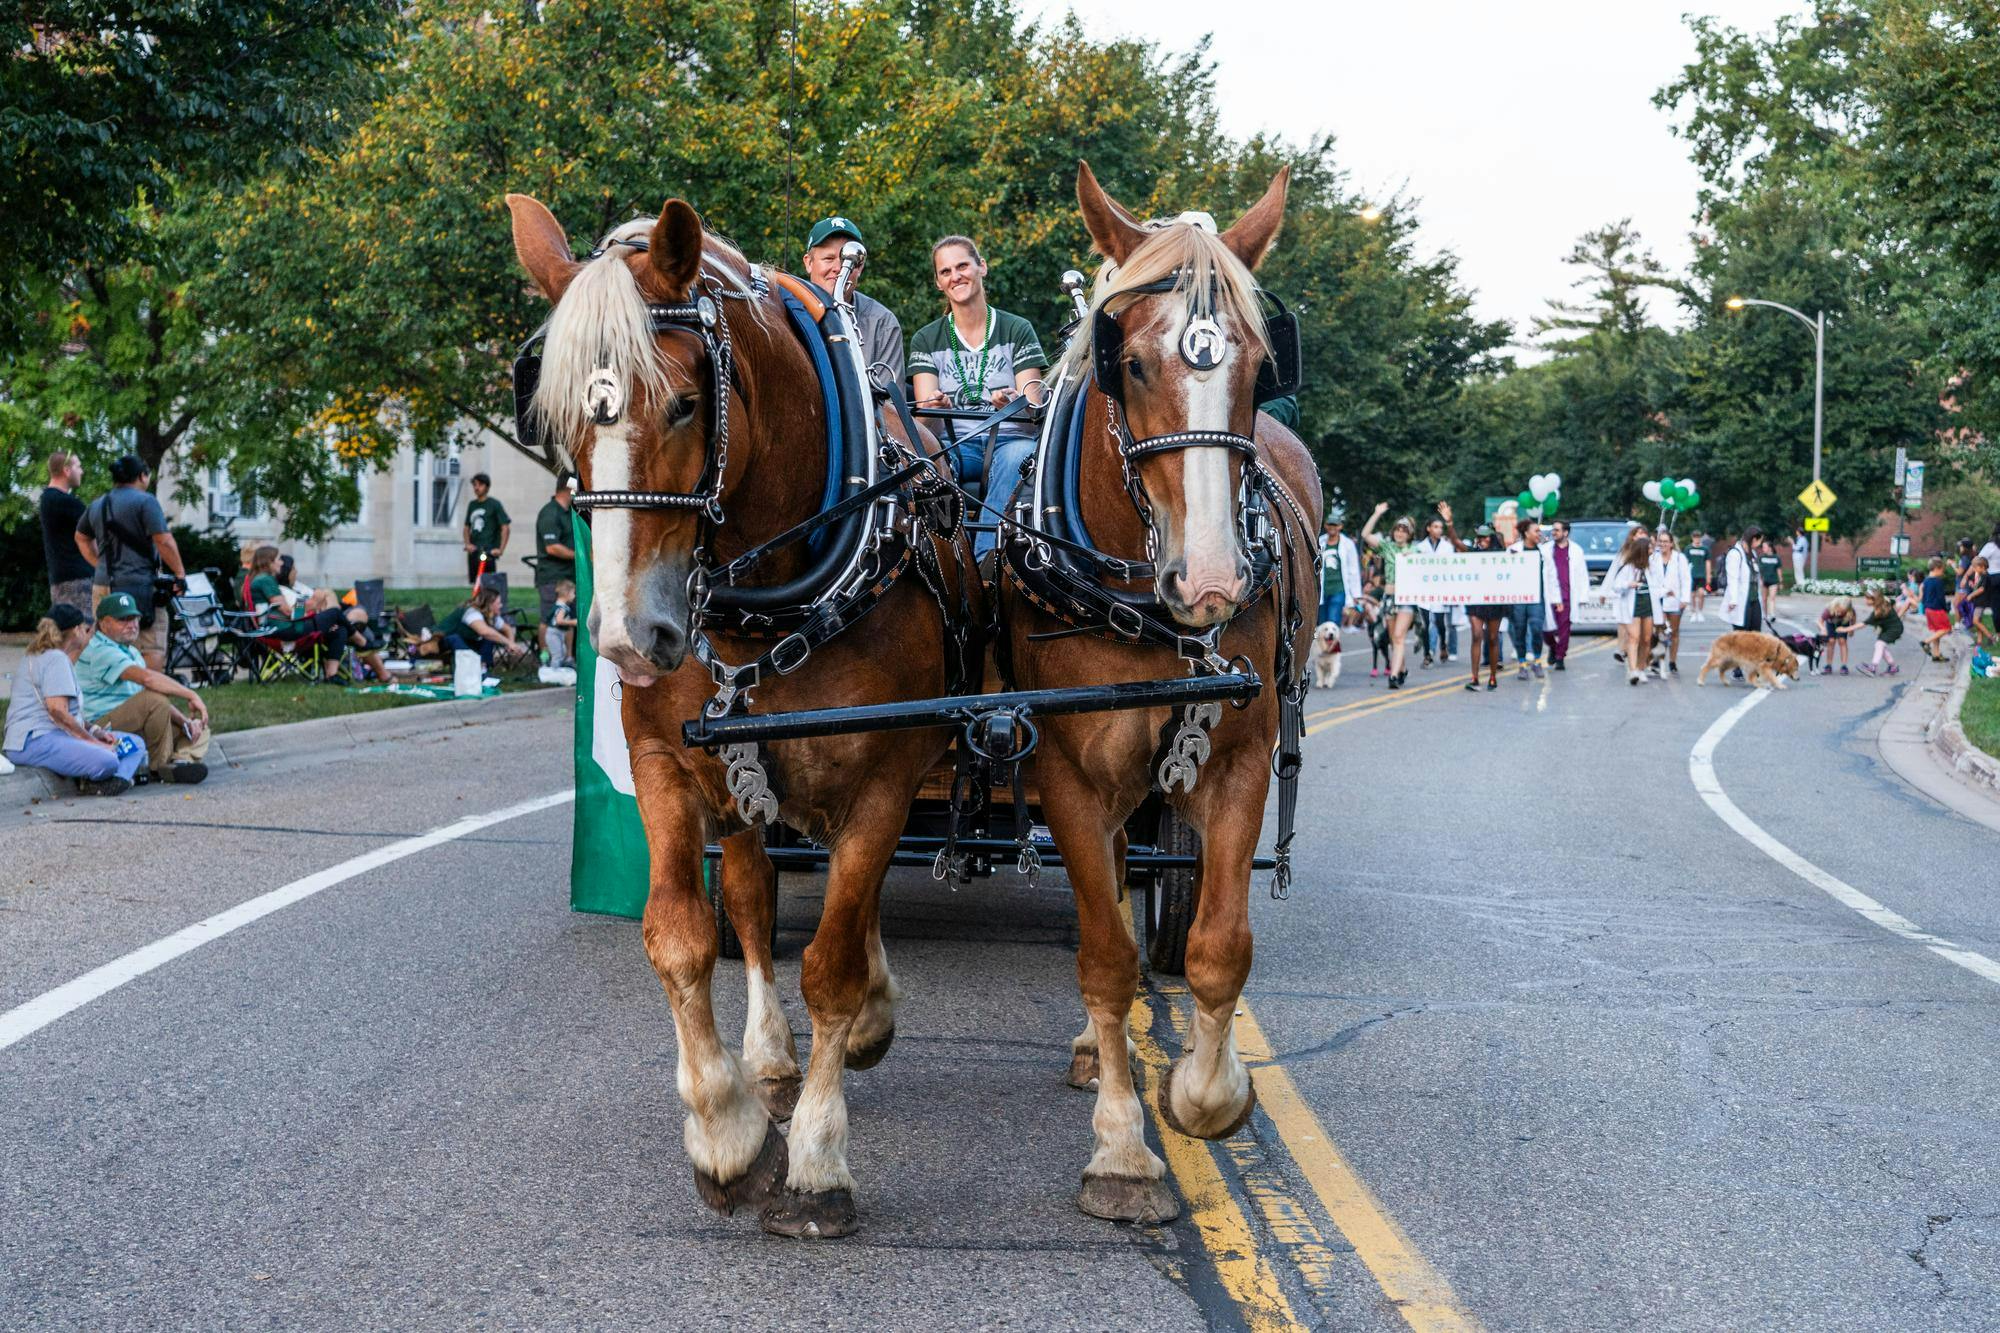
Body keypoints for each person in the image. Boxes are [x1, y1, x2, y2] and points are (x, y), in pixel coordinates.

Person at [907, 235, 1048, 561]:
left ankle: (985, 562)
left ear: (981, 267)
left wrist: (1015, 403)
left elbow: (1035, 407)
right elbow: (923, 429)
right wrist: (934, 408)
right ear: (939, 282)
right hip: (956, 443)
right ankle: (946, 558)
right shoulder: (926, 338)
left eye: (962, 266)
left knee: (1019, 457)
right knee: (923, 464)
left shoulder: (1017, 329)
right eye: (945, 271)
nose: (955, 276)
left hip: (1009, 439)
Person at [2, 605, 146, 796]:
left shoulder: (46, 656)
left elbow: (66, 712)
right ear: (77, 630)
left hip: (53, 738)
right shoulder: (55, 659)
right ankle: (107, 777)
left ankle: (112, 782)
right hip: (35, 741)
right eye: (87, 630)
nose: (89, 635)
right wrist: (94, 743)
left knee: (134, 744)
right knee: (107, 759)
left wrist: (96, 731)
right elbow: (57, 711)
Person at [74, 592, 212, 783]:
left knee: (199, 729)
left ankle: (180, 762)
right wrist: (190, 694)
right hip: (101, 727)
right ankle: (159, 766)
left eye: (134, 618)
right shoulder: (100, 650)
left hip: (135, 722)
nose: (132, 624)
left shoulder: (131, 651)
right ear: (104, 624)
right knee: (154, 700)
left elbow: (146, 693)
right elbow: (148, 680)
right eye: (123, 620)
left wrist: (185, 723)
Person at [75, 453, 185, 671]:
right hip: (139, 587)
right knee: (150, 645)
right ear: (142, 476)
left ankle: (112, 695)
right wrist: (180, 573)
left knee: (107, 644)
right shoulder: (146, 501)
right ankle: (148, 696)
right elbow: (163, 540)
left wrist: (100, 564)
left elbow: (81, 537)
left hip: (103, 586)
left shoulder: (99, 504)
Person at [802, 216, 904, 392]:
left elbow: (890, 406)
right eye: (828, 258)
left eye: (848, 260)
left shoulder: (882, 323)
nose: (839, 268)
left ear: (860, 267)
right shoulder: (784, 311)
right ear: (809, 263)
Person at [243, 545, 365, 680]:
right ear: (269, 562)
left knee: (340, 629)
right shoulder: (266, 580)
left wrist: (309, 604)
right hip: (284, 630)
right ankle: (362, 642)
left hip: (279, 627)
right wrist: (311, 602)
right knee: (334, 612)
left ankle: (332, 674)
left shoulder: (259, 579)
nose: (281, 562)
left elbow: (285, 610)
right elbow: (288, 611)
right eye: (278, 559)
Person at [1359, 503, 1422, 689]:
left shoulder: (1416, 550)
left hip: (1406, 598)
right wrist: (1376, 513)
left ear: (1409, 534)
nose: (1399, 533)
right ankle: (1401, 669)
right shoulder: (1387, 546)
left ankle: (1393, 676)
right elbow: (1365, 535)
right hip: (1389, 597)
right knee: (1394, 638)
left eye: (1403, 531)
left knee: (1399, 635)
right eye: (1397, 530)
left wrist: (1415, 558)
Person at [40, 451, 95, 617]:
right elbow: (94, 536)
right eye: (78, 466)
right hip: (78, 580)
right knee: (82, 632)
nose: (82, 471)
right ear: (66, 470)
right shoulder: (67, 502)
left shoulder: (47, 499)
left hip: (61, 578)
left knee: (67, 632)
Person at [1607, 529, 1659, 686]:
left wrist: (1668, 592)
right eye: (1649, 548)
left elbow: (1659, 586)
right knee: (1634, 637)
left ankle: (1642, 668)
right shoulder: (1628, 567)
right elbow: (1616, 586)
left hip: (1648, 605)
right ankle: (1633, 670)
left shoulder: (1652, 567)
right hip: (1633, 606)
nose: (1652, 550)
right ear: (1643, 550)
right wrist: (1629, 584)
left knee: (1646, 639)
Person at [533, 483, 577, 662]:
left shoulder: (570, 512)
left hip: (569, 577)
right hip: (552, 577)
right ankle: (545, 657)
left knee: (569, 616)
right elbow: (552, 547)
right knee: (548, 618)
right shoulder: (550, 513)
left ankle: (568, 657)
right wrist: (579, 557)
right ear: (568, 487)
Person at [1541, 518, 1589, 672]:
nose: (1553, 532)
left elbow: (1582, 574)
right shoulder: (1545, 549)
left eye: (1557, 530)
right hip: (1549, 595)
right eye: (1553, 530)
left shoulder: (1576, 550)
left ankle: (1560, 657)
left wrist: (1583, 595)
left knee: (1564, 629)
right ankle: (1553, 648)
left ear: (1565, 533)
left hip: (1567, 596)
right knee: (1546, 629)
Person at [1414, 511, 1462, 666]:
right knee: (1425, 624)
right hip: (1424, 589)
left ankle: (1443, 645)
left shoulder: (1447, 548)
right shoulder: (1420, 547)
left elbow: (1452, 568)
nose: (1439, 530)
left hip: (1441, 589)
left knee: (1440, 623)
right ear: (1428, 528)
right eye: (1435, 527)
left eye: (1441, 527)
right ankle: (1427, 655)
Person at [437, 584, 522, 670]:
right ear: (489, 604)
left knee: (489, 637)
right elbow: (484, 631)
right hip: (441, 641)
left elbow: (507, 629)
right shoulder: (471, 612)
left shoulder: (491, 615)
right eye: (498, 603)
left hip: (467, 641)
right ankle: (470, 667)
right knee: (456, 638)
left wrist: (512, 643)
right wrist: (508, 642)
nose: (501, 605)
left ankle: (484, 667)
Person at [1463, 525, 1507, 691]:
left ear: (1491, 538)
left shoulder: (1501, 555)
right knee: (1476, 635)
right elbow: (1457, 543)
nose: (1482, 540)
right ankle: (1474, 677)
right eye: (1479, 538)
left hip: (1494, 598)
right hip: (1476, 598)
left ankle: (1493, 676)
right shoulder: (1473, 554)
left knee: (1493, 637)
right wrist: (1450, 524)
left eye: (1485, 537)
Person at [1507, 518, 1549, 679]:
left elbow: (1551, 576)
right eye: (1536, 531)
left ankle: (1537, 661)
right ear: (1526, 533)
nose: (1539, 534)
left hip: (1537, 598)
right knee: (1520, 630)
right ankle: (1522, 664)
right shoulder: (1513, 550)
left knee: (1537, 628)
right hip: (1518, 598)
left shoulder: (1543, 552)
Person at [1651, 529, 1692, 675]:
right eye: (1660, 541)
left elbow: (1686, 579)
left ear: (1671, 544)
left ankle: (1672, 661)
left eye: (1665, 541)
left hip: (1675, 601)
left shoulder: (1680, 558)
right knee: (1660, 631)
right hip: (1658, 600)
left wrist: (1685, 599)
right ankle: (1657, 659)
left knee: (1673, 632)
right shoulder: (1653, 558)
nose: (1662, 544)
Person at [463, 473, 510, 585]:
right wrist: (468, 544)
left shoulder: (494, 504)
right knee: (476, 583)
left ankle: (488, 602)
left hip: (489, 550)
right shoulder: (472, 505)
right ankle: (477, 602)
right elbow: (466, 527)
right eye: (474, 484)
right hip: (474, 550)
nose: (476, 487)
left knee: (489, 583)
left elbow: (505, 527)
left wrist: (500, 549)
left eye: (480, 485)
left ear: (487, 487)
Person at [1721, 526, 1766, 635]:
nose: (1760, 544)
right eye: (1759, 541)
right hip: (1741, 600)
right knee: (1742, 636)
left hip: (1754, 600)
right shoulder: (1735, 554)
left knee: (1756, 635)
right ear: (1753, 539)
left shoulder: (1753, 554)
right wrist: (1733, 599)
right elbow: (1733, 579)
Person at [1318, 518, 1362, 629]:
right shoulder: (1319, 542)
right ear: (1325, 525)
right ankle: (1325, 647)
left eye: (1335, 525)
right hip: (1322, 589)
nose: (1332, 527)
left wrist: (1356, 595)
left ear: (1340, 526)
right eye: (1330, 524)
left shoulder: (1348, 544)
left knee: (1333, 622)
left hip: (1339, 589)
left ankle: (1333, 647)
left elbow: (1353, 570)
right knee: (1321, 624)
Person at [1855, 588, 1904, 676]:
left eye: (1867, 598)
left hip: (1894, 628)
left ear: (1874, 600)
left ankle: (1873, 667)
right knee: (1881, 647)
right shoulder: (1884, 603)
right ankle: (1892, 667)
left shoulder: (1880, 609)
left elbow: (1863, 624)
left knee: (1879, 645)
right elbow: (1894, 602)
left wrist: (1845, 629)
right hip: (1890, 628)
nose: (1865, 600)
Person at [1919, 557, 1953, 661]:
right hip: (1937, 609)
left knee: (1938, 631)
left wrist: (1925, 608)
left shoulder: (1926, 581)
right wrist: (1945, 608)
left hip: (1928, 609)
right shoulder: (1938, 581)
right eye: (1942, 570)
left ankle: (1936, 654)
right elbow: (1940, 597)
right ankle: (1926, 642)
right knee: (1946, 629)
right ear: (1937, 568)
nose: (1943, 572)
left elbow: (1923, 597)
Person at [1818, 597, 1858, 675]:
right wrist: (1823, 629)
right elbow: (1820, 621)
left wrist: (1851, 630)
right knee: (1831, 641)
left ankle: (1844, 665)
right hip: (1831, 623)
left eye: (1842, 612)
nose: (1839, 613)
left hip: (1843, 623)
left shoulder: (1850, 612)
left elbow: (1853, 620)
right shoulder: (1829, 610)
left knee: (1842, 641)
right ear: (1835, 606)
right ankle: (1828, 665)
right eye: (1838, 611)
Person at [547, 579, 578, 670]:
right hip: (554, 634)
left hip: (558, 633)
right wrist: (573, 622)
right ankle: (554, 673)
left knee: (562, 652)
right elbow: (559, 621)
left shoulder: (561, 605)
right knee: (557, 655)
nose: (574, 596)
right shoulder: (562, 608)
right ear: (567, 593)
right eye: (573, 593)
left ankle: (558, 670)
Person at [1686, 530, 1711, 618]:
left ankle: (1700, 611)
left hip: (1701, 575)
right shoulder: (1688, 548)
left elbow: (1708, 562)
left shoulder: (1705, 549)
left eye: (1698, 537)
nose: (1697, 539)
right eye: (1695, 537)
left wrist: (1708, 575)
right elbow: (1685, 562)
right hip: (1691, 575)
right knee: (1692, 594)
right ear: (1692, 538)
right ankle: (1693, 612)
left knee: (1701, 593)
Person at [1758, 535, 1782, 620]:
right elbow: (1759, 570)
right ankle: (1765, 614)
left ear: (1770, 548)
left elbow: (1779, 570)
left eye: (1764, 547)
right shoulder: (1761, 557)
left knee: (1772, 598)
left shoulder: (1776, 558)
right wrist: (1760, 580)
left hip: (1773, 581)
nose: (1763, 548)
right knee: (1764, 599)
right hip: (1764, 581)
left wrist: (1780, 581)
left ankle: (1772, 614)